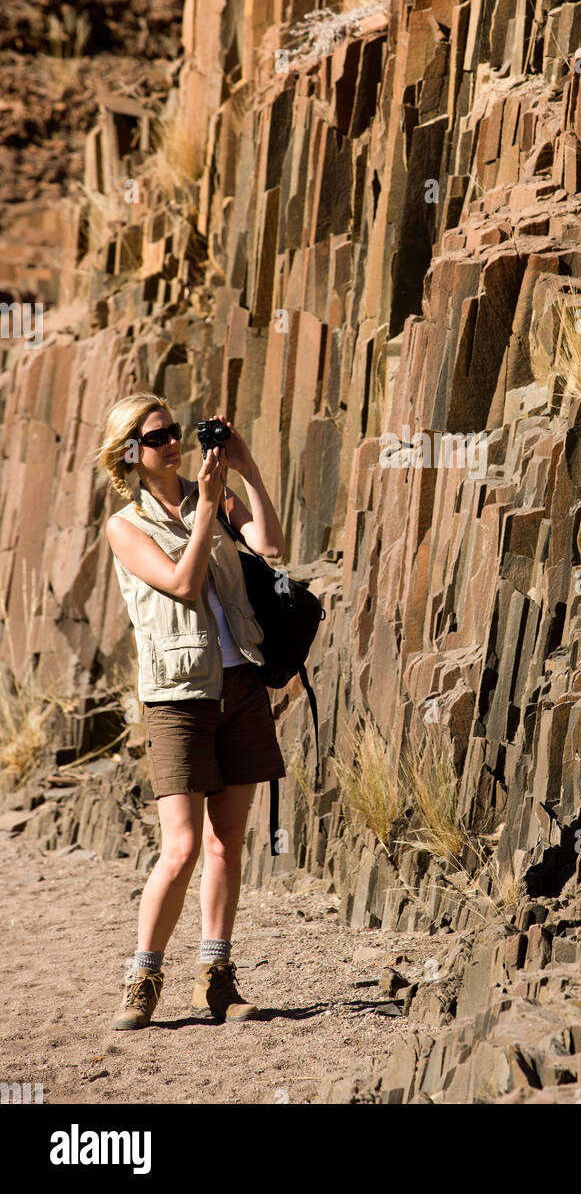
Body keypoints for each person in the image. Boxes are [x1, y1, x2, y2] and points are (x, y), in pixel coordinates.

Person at [95, 392, 286, 1029]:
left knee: (226, 844)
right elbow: (180, 582)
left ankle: (218, 978)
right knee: (179, 848)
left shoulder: (215, 494)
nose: (172, 443)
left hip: (240, 685)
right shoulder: (125, 527)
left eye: (175, 431)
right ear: (130, 454)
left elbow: (274, 546)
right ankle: (143, 977)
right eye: (156, 438)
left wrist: (246, 470)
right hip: (178, 697)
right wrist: (204, 508)